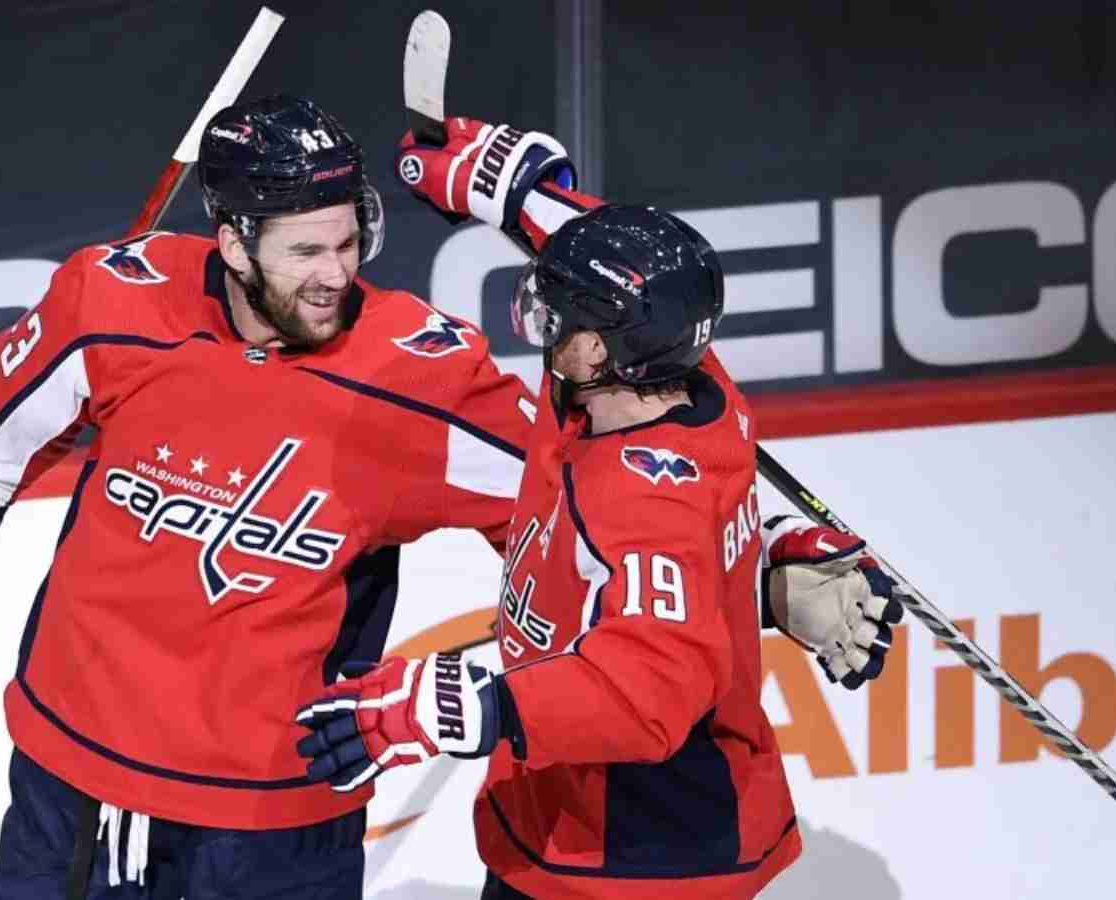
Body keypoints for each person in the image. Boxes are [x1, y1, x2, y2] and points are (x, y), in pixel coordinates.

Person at [0, 96, 900, 899]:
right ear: (232, 239)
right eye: (303, 251)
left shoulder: (417, 375)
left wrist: (755, 571)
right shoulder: (115, 298)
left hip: (279, 809)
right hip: (76, 774)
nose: (334, 273)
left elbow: (586, 493)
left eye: (351, 241)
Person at [296, 115, 904, 900]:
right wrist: (518, 191)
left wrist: (464, 704)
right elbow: (608, 254)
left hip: (635, 854)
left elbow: (650, 691)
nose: (538, 325)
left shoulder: (646, 500)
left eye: (556, 316)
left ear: (605, 347)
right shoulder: (662, 371)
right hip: (564, 799)